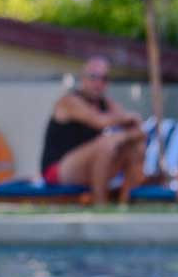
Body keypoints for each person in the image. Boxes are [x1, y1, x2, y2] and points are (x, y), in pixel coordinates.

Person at [41, 57, 145, 205]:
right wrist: (126, 131)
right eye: (93, 77)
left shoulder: (105, 103)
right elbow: (100, 121)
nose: (98, 83)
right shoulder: (69, 101)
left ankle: (125, 204)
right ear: (83, 79)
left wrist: (128, 134)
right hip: (57, 170)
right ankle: (100, 205)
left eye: (104, 78)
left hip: (86, 167)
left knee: (133, 147)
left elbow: (137, 127)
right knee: (106, 144)